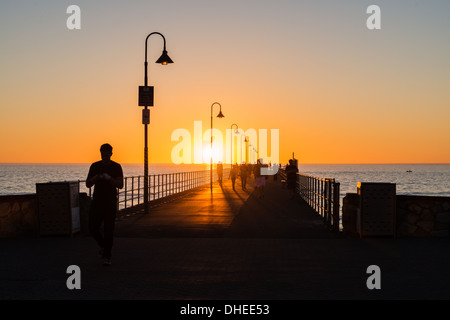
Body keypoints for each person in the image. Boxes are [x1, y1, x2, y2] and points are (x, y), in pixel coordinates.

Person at [86, 143, 124, 266]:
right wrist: (95, 178)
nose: (104, 154)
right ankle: (104, 247)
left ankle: (107, 256)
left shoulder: (116, 167)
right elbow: (88, 184)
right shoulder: (95, 166)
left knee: (109, 230)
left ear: (111, 153)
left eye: (107, 152)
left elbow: (120, 185)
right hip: (97, 201)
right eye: (103, 152)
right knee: (92, 227)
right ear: (100, 152)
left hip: (110, 202)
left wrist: (109, 179)